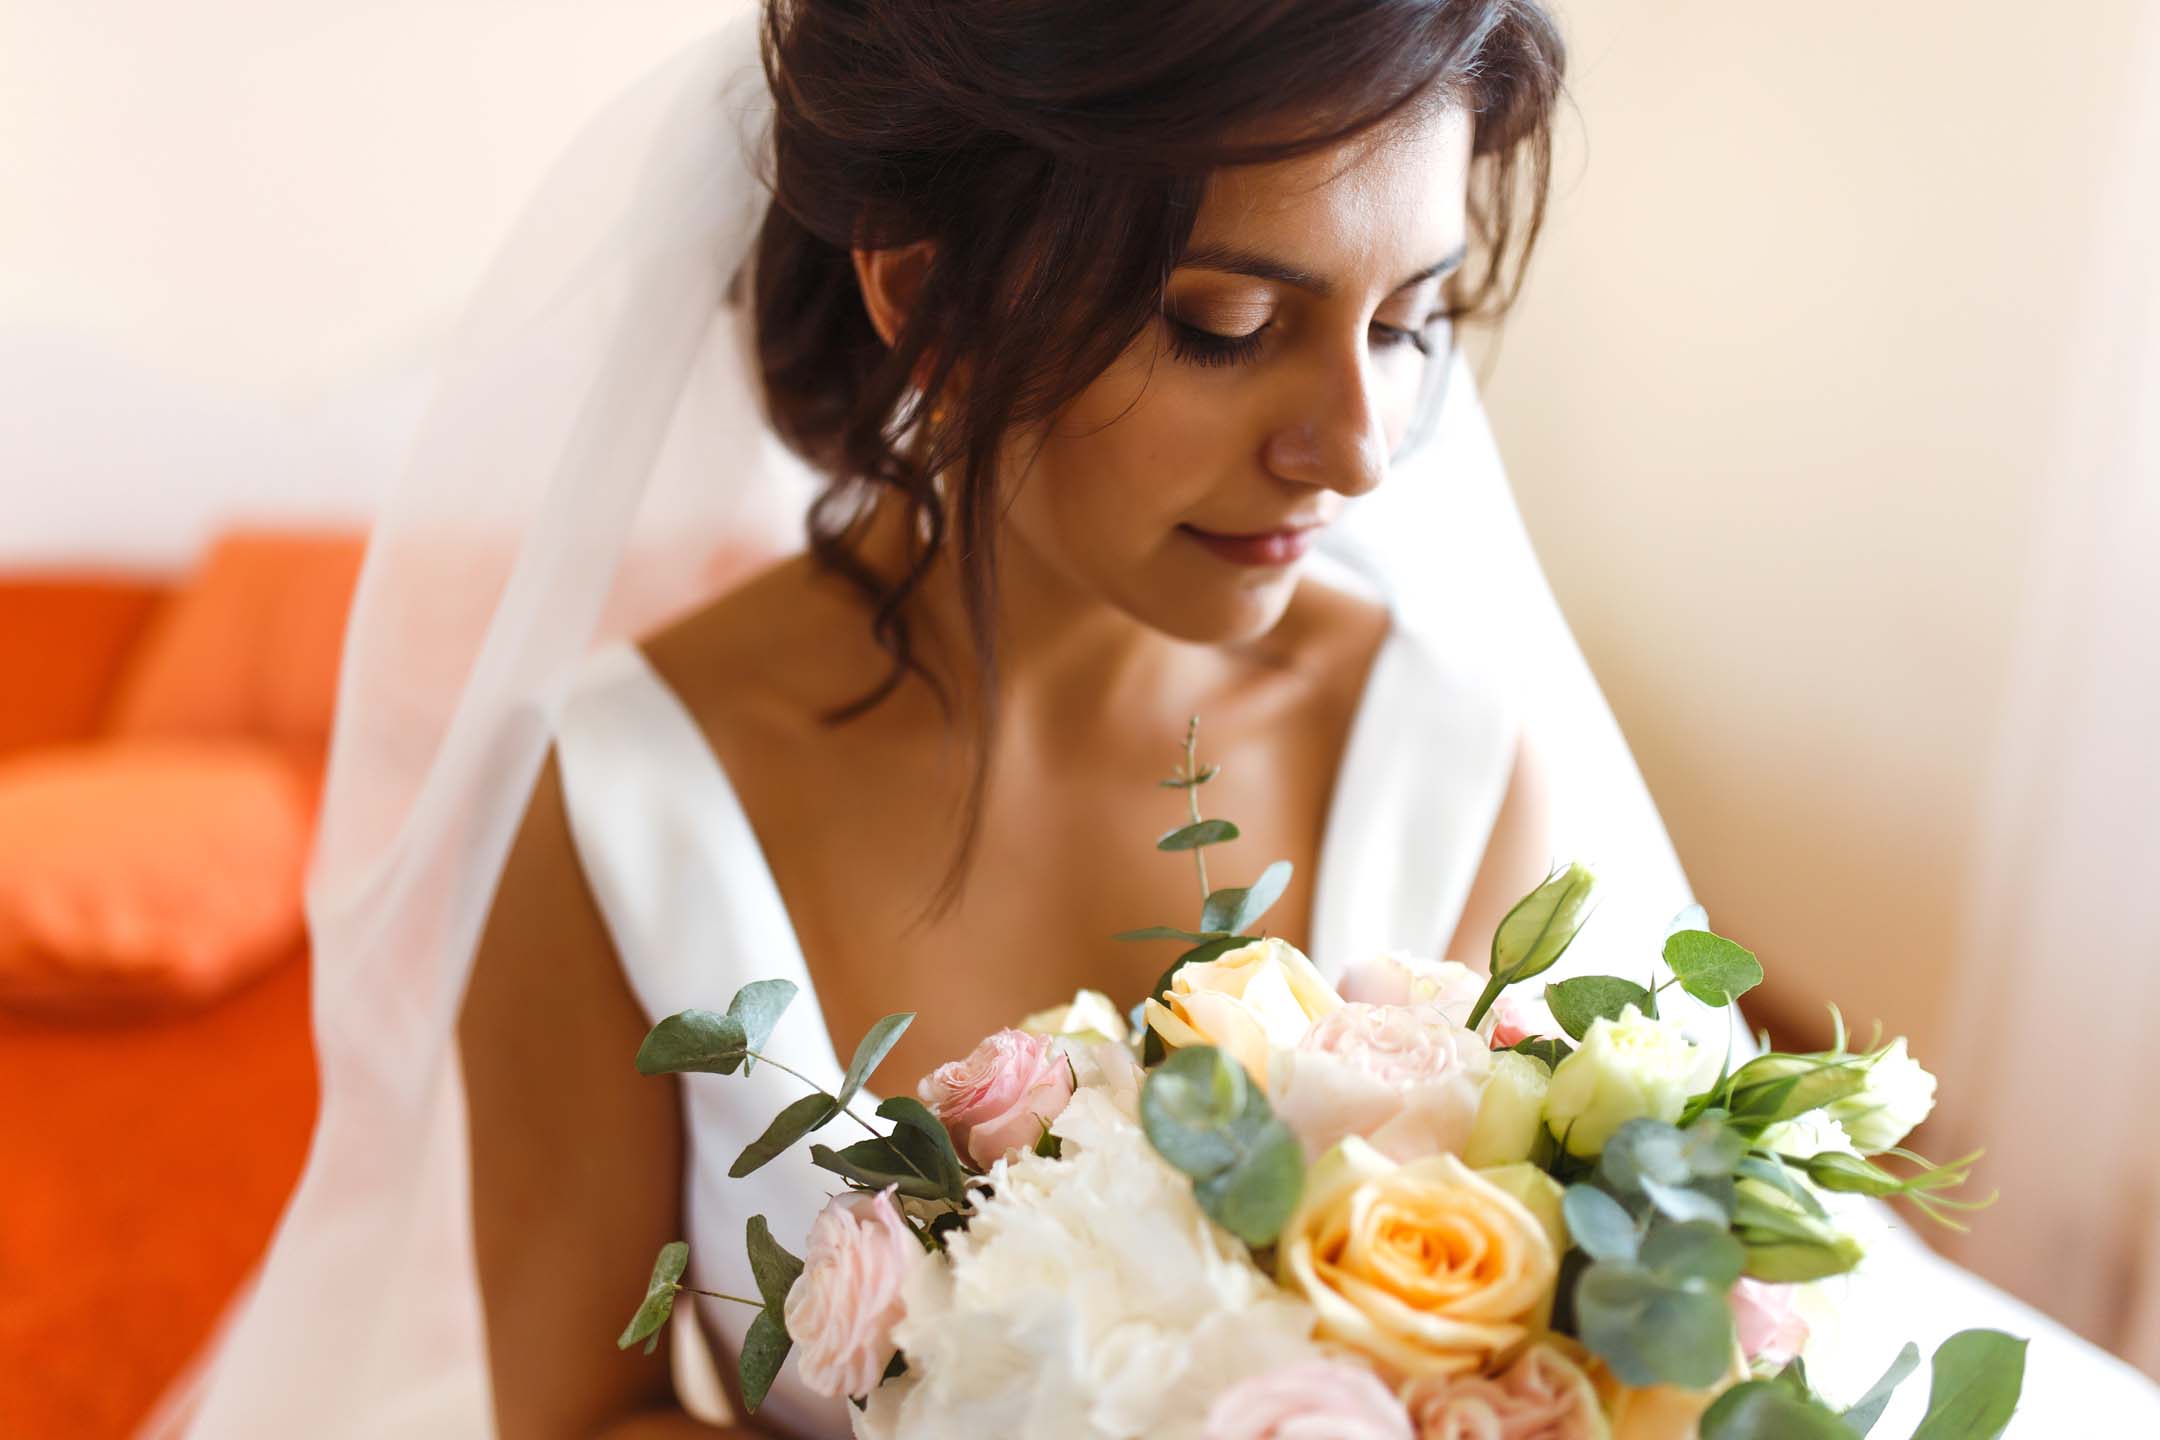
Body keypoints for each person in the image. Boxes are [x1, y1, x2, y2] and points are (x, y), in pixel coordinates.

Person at [147, 1, 2160, 1436]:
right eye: (1228, 325)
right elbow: (582, 1413)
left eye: (1410, 321)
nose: (1355, 443)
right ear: (923, 287)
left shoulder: (1453, 752)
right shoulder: (620, 798)